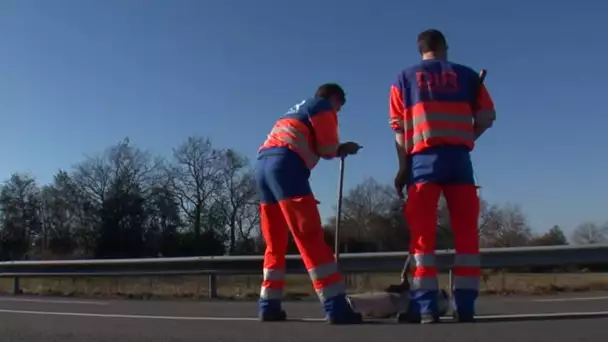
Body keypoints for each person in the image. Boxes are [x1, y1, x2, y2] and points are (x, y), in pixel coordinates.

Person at [388, 29, 496, 324]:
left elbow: (399, 130)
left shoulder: (404, 78)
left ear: (420, 48)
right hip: (460, 160)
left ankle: (426, 309)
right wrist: (466, 136)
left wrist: (403, 168)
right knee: (466, 235)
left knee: (422, 237)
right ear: (444, 47)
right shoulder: (468, 76)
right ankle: (465, 307)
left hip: (423, 160)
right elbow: (487, 117)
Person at [255, 83, 363, 324]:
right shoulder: (322, 107)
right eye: (340, 107)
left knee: (275, 242)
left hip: (262, 166)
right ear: (335, 99)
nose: (338, 112)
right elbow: (327, 148)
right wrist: (342, 148)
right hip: (286, 165)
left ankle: (268, 305)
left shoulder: (295, 109)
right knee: (309, 235)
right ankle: (336, 307)